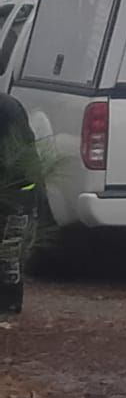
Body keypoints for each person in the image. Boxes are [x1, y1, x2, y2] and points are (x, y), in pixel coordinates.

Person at [0, 91, 38, 318]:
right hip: (19, 188)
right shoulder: (9, 105)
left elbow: (14, 157)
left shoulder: (6, 109)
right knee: (10, 253)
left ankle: (8, 308)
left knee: (9, 253)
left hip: (15, 189)